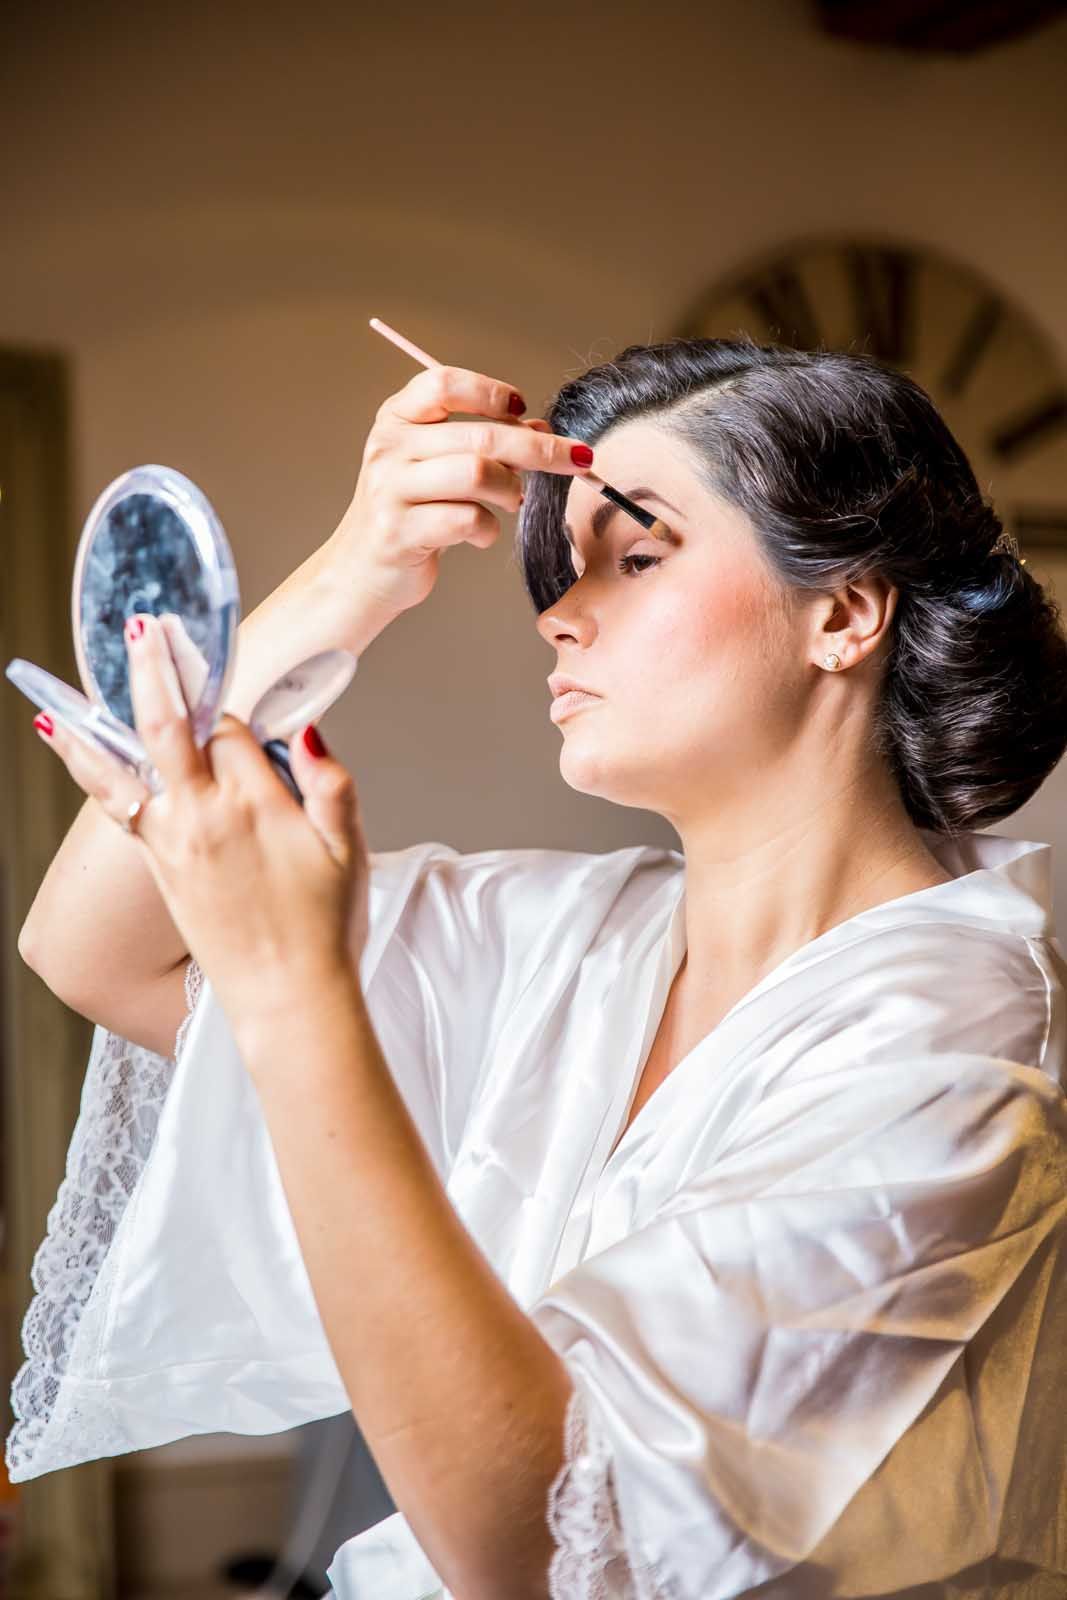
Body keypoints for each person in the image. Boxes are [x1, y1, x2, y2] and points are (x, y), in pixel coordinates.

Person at [11, 336, 1067, 1599]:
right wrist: (357, 572)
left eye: (635, 558)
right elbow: (91, 947)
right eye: (563, 573)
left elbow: (538, 1544)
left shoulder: (961, 1044)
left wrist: (300, 990)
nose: (559, 613)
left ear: (841, 613)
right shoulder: (573, 934)